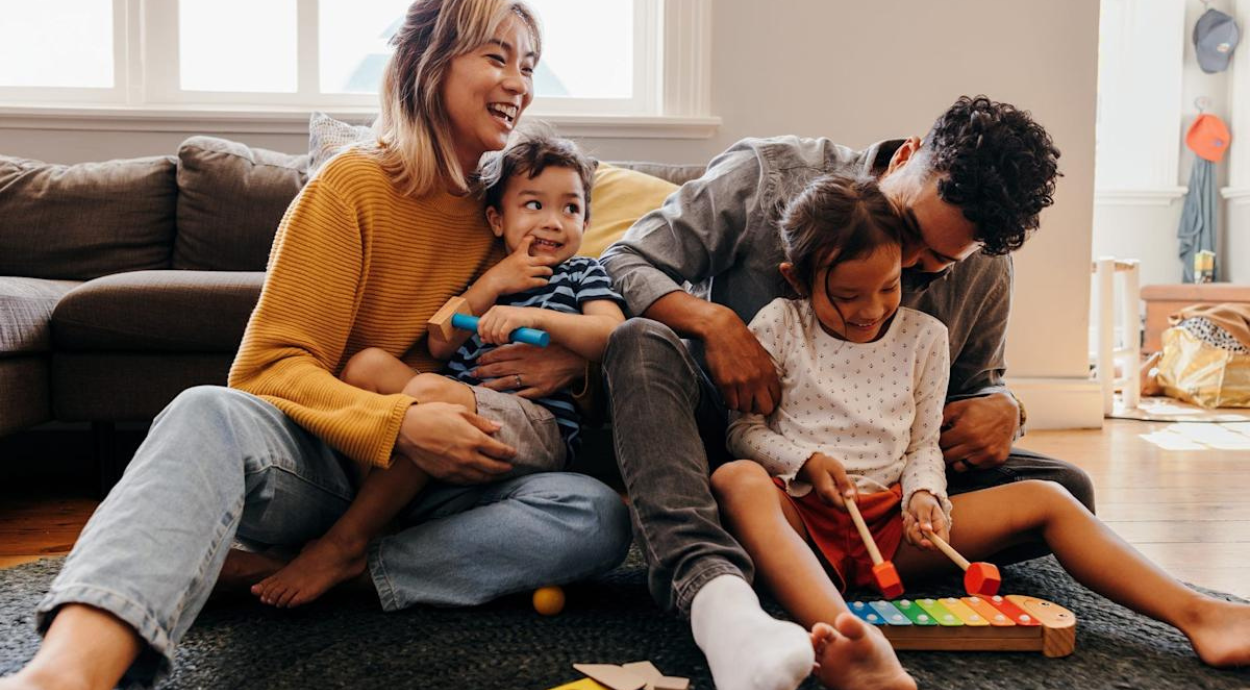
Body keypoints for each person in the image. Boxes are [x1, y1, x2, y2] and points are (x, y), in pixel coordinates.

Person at [0, 2, 631, 689]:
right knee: (204, 412)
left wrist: (571, 370)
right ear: (429, 61)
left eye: (530, 66)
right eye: (497, 57)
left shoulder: (512, 211)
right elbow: (268, 368)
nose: (519, 83)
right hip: (330, 464)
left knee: (594, 516)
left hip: (454, 480)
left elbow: (573, 338)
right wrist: (398, 423)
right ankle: (67, 672)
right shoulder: (350, 187)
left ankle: (333, 569)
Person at [597, 96, 1090, 690]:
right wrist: (714, 323)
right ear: (907, 156)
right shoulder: (765, 176)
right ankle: (713, 584)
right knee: (639, 342)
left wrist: (1007, 409)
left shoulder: (984, 268)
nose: (904, 269)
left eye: (933, 264)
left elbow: (975, 387)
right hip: (729, 442)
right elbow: (623, 259)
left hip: (876, 479)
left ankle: (826, 555)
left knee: (1069, 491)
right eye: (908, 231)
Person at [712, 174, 1250, 690]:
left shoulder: (926, 338)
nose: (870, 310)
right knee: (737, 479)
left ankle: (1201, 616)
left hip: (892, 526)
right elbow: (744, 431)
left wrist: (926, 494)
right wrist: (803, 462)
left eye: (887, 287)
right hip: (801, 516)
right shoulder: (779, 324)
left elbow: (924, 446)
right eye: (847, 295)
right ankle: (851, 638)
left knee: (1050, 497)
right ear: (798, 279)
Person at [252, 133, 627, 608]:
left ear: (586, 221)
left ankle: (347, 543)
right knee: (367, 366)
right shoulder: (491, 275)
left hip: (534, 425)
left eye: (570, 209)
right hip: (456, 410)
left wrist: (536, 318)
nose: (552, 222)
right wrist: (492, 284)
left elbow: (612, 334)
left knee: (431, 390)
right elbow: (439, 338)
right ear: (497, 218)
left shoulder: (582, 273)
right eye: (534, 205)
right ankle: (380, 520)